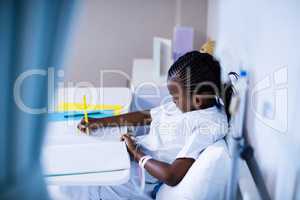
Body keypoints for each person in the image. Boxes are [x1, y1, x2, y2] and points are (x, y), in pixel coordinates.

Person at [73, 51, 228, 200]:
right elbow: (147, 116)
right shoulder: (188, 104)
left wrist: (136, 152)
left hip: (137, 177)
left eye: (175, 97)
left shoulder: (208, 124)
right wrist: (100, 122)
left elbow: (171, 176)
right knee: (77, 159)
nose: (172, 101)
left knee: (75, 187)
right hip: (127, 153)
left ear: (198, 100)